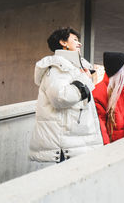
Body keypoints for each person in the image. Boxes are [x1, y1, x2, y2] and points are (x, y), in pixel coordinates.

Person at [29, 27, 103, 163]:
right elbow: (60, 98)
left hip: (74, 143)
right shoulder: (58, 67)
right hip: (66, 146)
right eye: (75, 40)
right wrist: (83, 79)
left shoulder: (72, 68)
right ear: (63, 42)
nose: (79, 43)